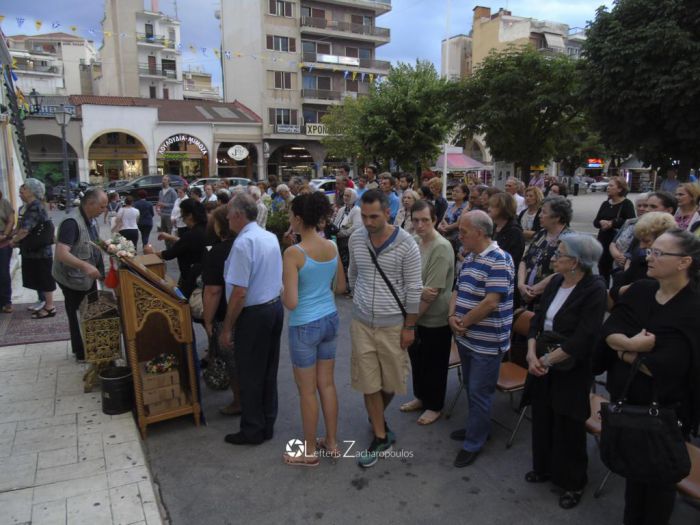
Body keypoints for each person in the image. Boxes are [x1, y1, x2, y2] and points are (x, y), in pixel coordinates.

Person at [595, 229, 700, 525]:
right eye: (649, 251)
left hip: (666, 414)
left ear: (684, 262)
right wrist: (633, 346)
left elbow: (667, 366)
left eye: (658, 253)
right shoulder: (641, 290)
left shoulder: (693, 308)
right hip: (627, 402)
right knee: (633, 478)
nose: (647, 257)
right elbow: (609, 331)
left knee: (657, 486)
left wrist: (623, 351)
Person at [524, 234, 607, 509]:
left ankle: (573, 482)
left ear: (574, 262)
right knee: (543, 416)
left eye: (559, 253)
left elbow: (583, 338)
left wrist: (545, 361)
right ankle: (544, 467)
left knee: (568, 425)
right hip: (542, 361)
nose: (553, 257)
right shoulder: (557, 281)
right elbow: (537, 319)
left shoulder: (595, 289)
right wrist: (531, 352)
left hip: (570, 368)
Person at [348, 189, 422, 468]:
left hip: (394, 324)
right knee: (369, 382)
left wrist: (409, 326)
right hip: (362, 322)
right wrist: (361, 301)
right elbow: (354, 273)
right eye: (364, 216)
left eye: (374, 216)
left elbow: (414, 287)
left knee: (391, 382)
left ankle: (376, 413)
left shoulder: (407, 244)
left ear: (388, 213)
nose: (367, 222)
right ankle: (380, 435)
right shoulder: (357, 238)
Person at [281, 192, 346, 466]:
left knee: (307, 390)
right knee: (327, 384)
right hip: (330, 318)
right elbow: (341, 287)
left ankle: (308, 451)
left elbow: (292, 301)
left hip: (305, 324)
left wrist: (283, 288)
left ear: (297, 219)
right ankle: (331, 442)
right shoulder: (331, 246)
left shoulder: (293, 253)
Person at [448, 210, 515, 467]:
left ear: (479, 232)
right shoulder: (471, 257)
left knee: (479, 391)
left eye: (463, 232)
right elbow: (458, 288)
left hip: (486, 342)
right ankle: (476, 428)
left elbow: (491, 302)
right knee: (472, 387)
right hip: (467, 337)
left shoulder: (499, 260)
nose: (459, 235)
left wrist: (462, 323)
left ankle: (475, 441)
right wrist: (452, 316)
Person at [219, 193, 283, 445]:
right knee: (267, 369)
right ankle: (267, 422)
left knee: (250, 373)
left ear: (238, 215)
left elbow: (239, 291)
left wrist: (227, 328)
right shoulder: (268, 237)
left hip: (255, 313)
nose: (226, 218)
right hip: (272, 308)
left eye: (229, 214)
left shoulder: (244, 243)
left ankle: (253, 429)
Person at [400, 200, 455, 425]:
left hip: (434, 318)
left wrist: (409, 324)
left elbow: (434, 294)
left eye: (425, 220)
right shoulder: (413, 241)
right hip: (416, 312)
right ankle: (421, 397)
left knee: (435, 364)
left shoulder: (441, 247)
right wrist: (418, 289)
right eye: (415, 220)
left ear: (435, 220)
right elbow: (401, 278)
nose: (420, 225)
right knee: (418, 360)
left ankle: (435, 405)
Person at [52, 188, 107, 360]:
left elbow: (91, 241)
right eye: (102, 207)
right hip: (72, 278)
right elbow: (61, 253)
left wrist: (107, 246)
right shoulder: (72, 222)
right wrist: (85, 266)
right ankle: (81, 352)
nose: (104, 210)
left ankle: (90, 345)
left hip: (85, 278)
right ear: (90, 204)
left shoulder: (90, 218)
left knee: (89, 311)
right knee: (77, 313)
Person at [202, 207, 240, 416]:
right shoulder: (246, 244)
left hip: (227, 313)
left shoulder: (217, 252)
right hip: (251, 312)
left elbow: (213, 291)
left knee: (232, 359)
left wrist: (208, 320)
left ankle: (239, 401)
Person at [10, 179, 57, 320]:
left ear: (31, 191)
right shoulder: (30, 206)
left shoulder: (35, 206)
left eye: (23, 188)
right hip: (35, 250)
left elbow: (25, 230)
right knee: (40, 278)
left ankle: (50, 307)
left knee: (45, 278)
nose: (21, 191)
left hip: (40, 251)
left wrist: (14, 241)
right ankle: (46, 304)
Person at [609, 212, 678, 304]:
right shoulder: (640, 259)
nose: (641, 246)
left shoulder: (677, 268)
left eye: (646, 241)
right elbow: (615, 291)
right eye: (639, 241)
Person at [146, 199, 208, 298]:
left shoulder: (191, 234)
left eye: (183, 215)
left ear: (190, 216)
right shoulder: (206, 229)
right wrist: (170, 237)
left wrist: (152, 252)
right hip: (204, 277)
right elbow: (186, 243)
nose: (182, 219)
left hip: (191, 279)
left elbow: (169, 254)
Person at [518, 196, 573, 307]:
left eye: (544, 212)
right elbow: (524, 260)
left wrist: (534, 290)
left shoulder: (570, 240)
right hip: (525, 295)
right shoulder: (540, 234)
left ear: (557, 217)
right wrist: (521, 284)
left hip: (549, 299)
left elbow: (563, 272)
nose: (539, 215)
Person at [593, 176, 636, 284]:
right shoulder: (605, 204)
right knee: (603, 270)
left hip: (618, 243)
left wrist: (613, 223)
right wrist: (601, 223)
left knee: (616, 271)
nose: (608, 188)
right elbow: (595, 222)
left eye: (611, 185)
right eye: (608, 185)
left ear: (620, 189)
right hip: (603, 241)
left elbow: (631, 222)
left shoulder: (627, 204)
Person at [610, 194, 649, 272]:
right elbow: (613, 243)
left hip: (635, 269)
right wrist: (617, 256)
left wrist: (627, 259)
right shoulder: (629, 222)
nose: (641, 208)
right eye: (639, 206)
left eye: (645, 206)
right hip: (617, 266)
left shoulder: (651, 226)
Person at [488, 192, 525, 272]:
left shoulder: (514, 231)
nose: (489, 209)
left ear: (503, 208)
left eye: (493, 206)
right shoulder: (493, 226)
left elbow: (513, 259)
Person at [334, 188, 361, 291]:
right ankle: (343, 284)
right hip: (339, 239)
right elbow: (336, 222)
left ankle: (350, 286)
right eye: (344, 195)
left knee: (349, 263)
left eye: (348, 196)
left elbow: (356, 226)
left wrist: (343, 233)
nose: (345, 198)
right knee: (341, 262)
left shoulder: (357, 210)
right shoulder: (342, 209)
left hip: (349, 240)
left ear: (353, 198)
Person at [438, 183, 468, 252]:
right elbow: (443, 218)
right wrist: (440, 226)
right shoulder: (451, 205)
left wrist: (446, 227)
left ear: (464, 194)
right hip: (446, 236)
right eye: (453, 191)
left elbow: (458, 223)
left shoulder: (466, 207)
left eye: (457, 191)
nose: (454, 193)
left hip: (458, 239)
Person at [0, 190, 15, 313]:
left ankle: (6, 301)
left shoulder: (4, 203)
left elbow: (11, 220)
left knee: (3, 273)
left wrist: (5, 234)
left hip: (2, 242)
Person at [157, 176, 178, 246]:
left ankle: (173, 248)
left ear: (169, 182)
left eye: (165, 180)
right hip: (162, 214)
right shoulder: (160, 192)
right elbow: (159, 202)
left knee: (170, 233)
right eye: (163, 180)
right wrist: (158, 208)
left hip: (169, 215)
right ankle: (167, 248)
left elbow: (175, 204)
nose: (163, 181)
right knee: (164, 233)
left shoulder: (172, 191)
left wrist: (165, 205)